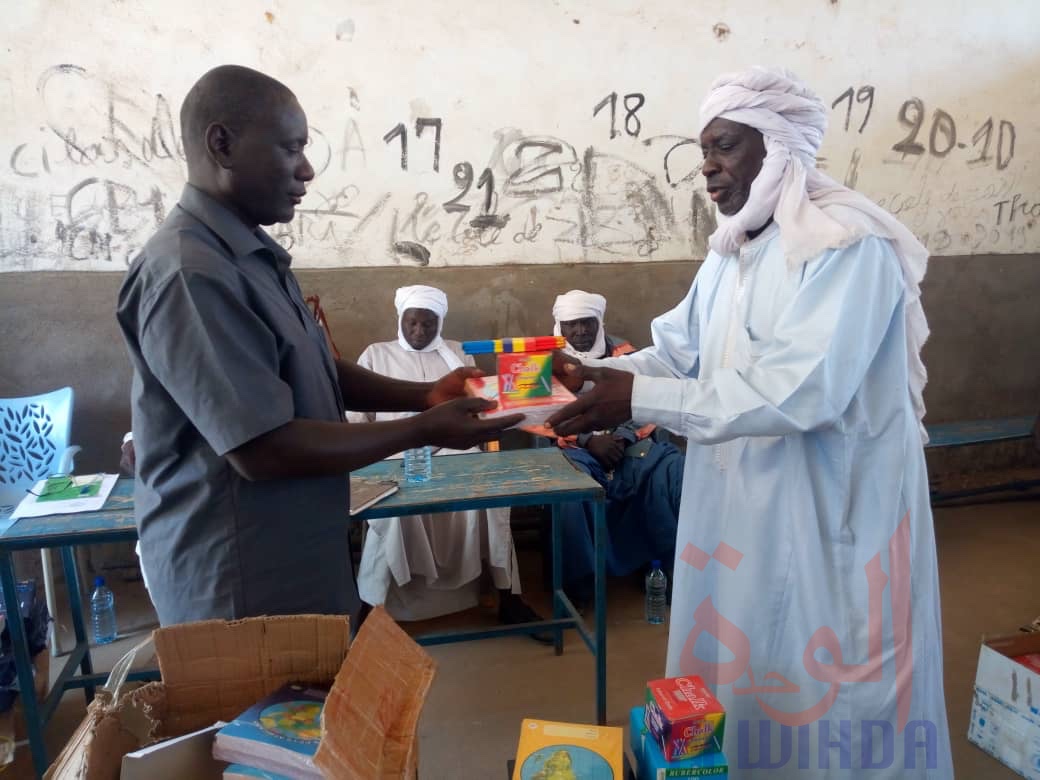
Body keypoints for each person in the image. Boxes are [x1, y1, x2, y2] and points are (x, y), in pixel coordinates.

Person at [547, 67, 952, 777]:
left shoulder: (846, 247)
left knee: (829, 676)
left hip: (832, 509)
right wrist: (600, 376)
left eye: (725, 146)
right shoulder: (732, 252)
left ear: (781, 147)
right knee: (744, 656)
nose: (707, 166)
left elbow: (802, 390)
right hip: (743, 506)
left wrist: (635, 401)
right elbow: (679, 349)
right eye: (703, 148)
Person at [116, 65, 519, 628]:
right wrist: (427, 429)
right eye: (290, 149)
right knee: (258, 717)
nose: (306, 170)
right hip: (241, 579)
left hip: (295, 554)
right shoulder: (190, 273)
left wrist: (427, 394)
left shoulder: (251, 254)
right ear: (222, 144)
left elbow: (319, 369)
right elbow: (262, 449)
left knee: (318, 711)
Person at [347, 284, 550, 640]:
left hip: (453, 451)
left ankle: (509, 597)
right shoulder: (376, 355)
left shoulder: (457, 354)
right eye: (412, 323)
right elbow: (355, 421)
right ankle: (368, 607)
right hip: (394, 453)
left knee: (491, 504)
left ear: (439, 323)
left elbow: (474, 412)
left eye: (428, 324)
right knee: (391, 512)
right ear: (401, 320)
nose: (419, 332)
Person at [545, 290, 684, 609]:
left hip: (629, 445)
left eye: (587, 323)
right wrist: (588, 440)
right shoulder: (548, 361)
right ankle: (580, 585)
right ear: (559, 328)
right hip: (575, 448)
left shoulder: (625, 353)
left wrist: (621, 437)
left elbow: (648, 401)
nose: (580, 332)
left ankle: (668, 569)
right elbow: (541, 417)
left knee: (670, 469)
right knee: (569, 490)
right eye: (572, 325)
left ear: (600, 323)